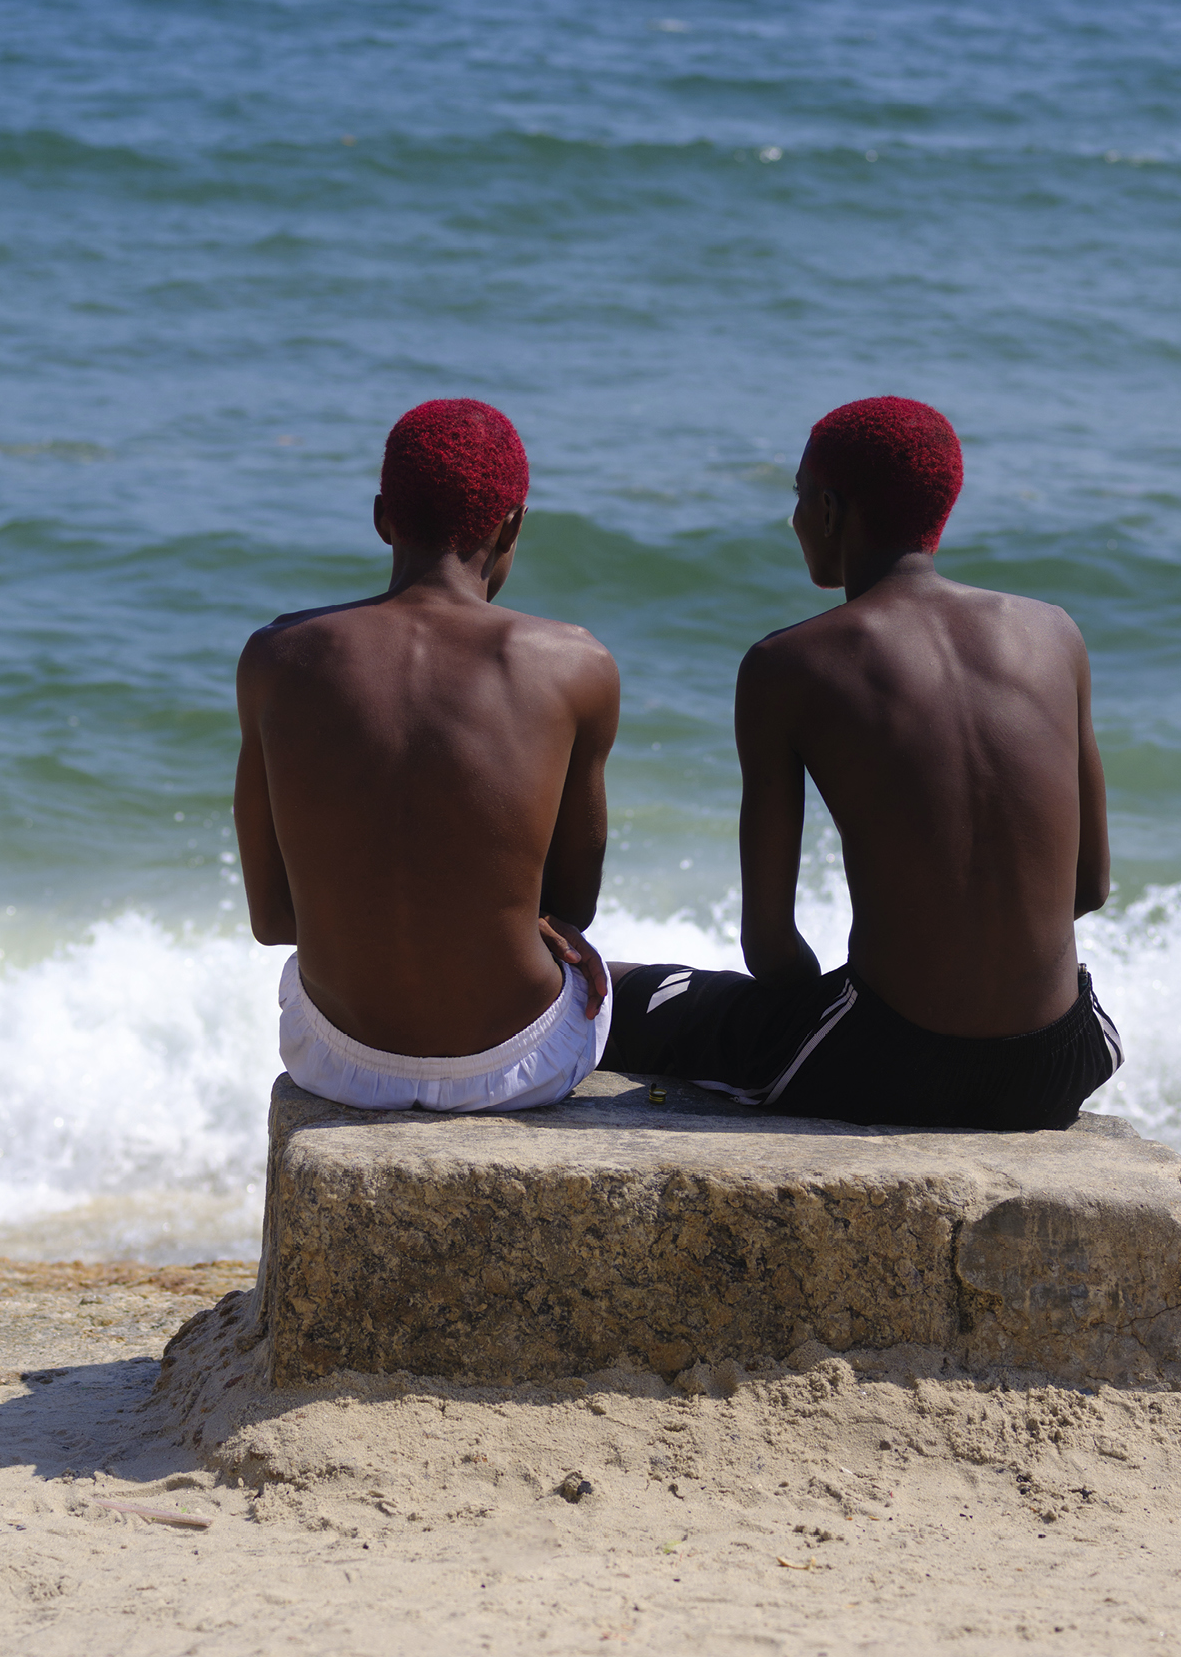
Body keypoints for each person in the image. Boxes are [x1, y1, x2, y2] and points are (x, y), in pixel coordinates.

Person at [602, 396, 1121, 1132]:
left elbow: (770, 947)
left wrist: (818, 1006)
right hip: (1059, 1060)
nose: (791, 521)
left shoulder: (787, 663)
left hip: (887, 1062)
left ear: (827, 507)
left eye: (796, 498)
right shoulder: (1053, 633)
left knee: (623, 995)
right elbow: (1089, 885)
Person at [236, 398, 620, 1113]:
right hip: (520, 1061)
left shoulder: (277, 657)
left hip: (335, 1057)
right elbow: (572, 911)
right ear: (513, 524)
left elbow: (272, 922)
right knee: (607, 980)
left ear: (382, 517)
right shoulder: (575, 662)